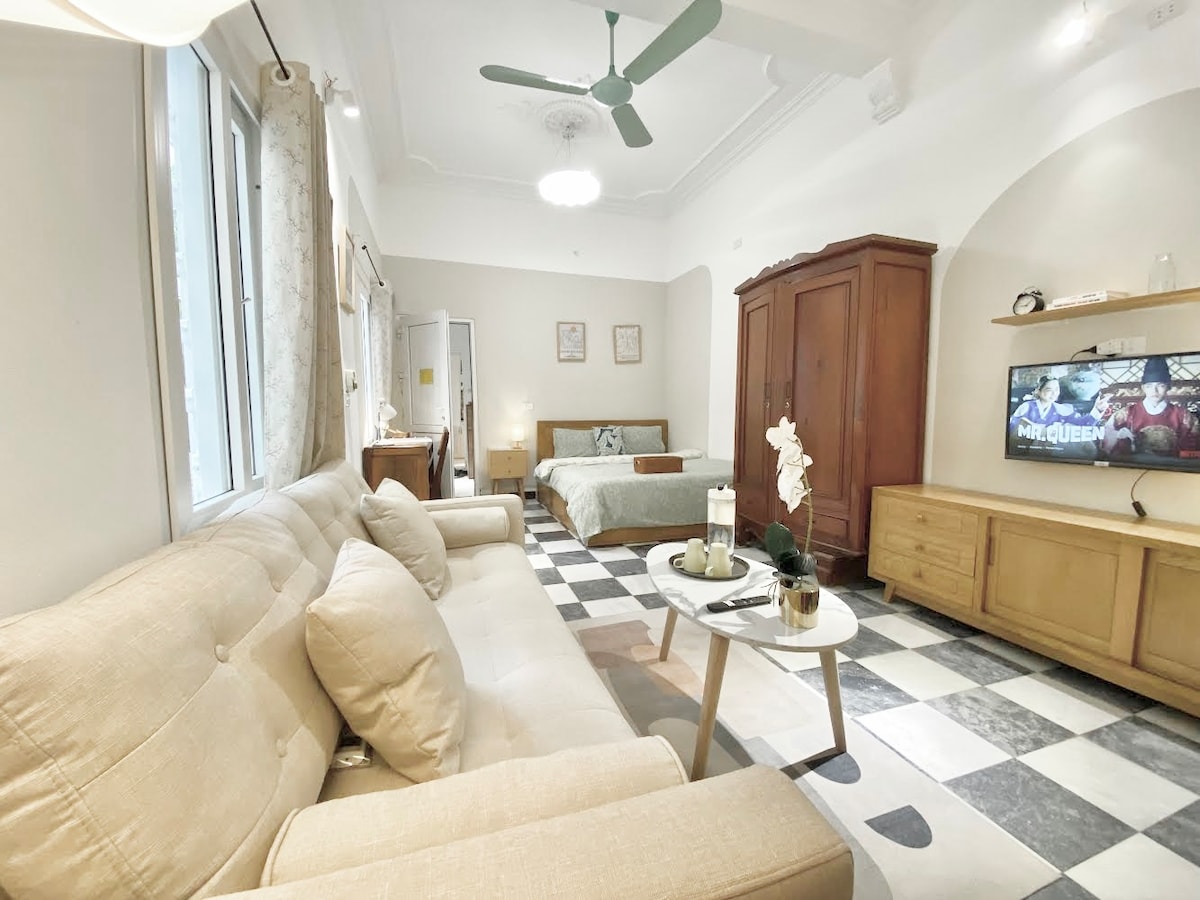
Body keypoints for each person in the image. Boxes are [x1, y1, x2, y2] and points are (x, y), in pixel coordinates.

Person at [1103, 356, 1200, 458]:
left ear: (1168, 387)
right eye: (1149, 386)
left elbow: (1194, 449)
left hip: (1172, 464)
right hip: (1135, 464)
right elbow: (1106, 444)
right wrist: (1118, 436)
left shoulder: (1183, 416)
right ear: (1143, 388)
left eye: (1160, 385)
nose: (1154, 391)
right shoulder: (1125, 414)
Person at [1008, 375, 1112, 437]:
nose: (1054, 393)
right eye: (1049, 390)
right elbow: (1011, 430)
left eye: (1056, 390)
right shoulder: (1026, 407)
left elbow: (1083, 425)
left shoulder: (1061, 409)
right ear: (1039, 391)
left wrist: (1097, 409)